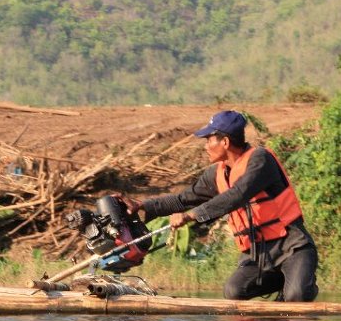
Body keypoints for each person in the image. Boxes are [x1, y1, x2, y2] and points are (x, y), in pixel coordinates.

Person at [124, 110, 319, 302]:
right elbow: (183, 200)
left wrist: (191, 216)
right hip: (258, 255)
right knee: (234, 291)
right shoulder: (215, 175)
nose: (206, 146)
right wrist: (142, 205)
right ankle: (287, 281)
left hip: (292, 247)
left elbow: (238, 194)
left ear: (225, 142)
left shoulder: (260, 159)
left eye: (209, 140)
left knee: (297, 296)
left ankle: (301, 284)